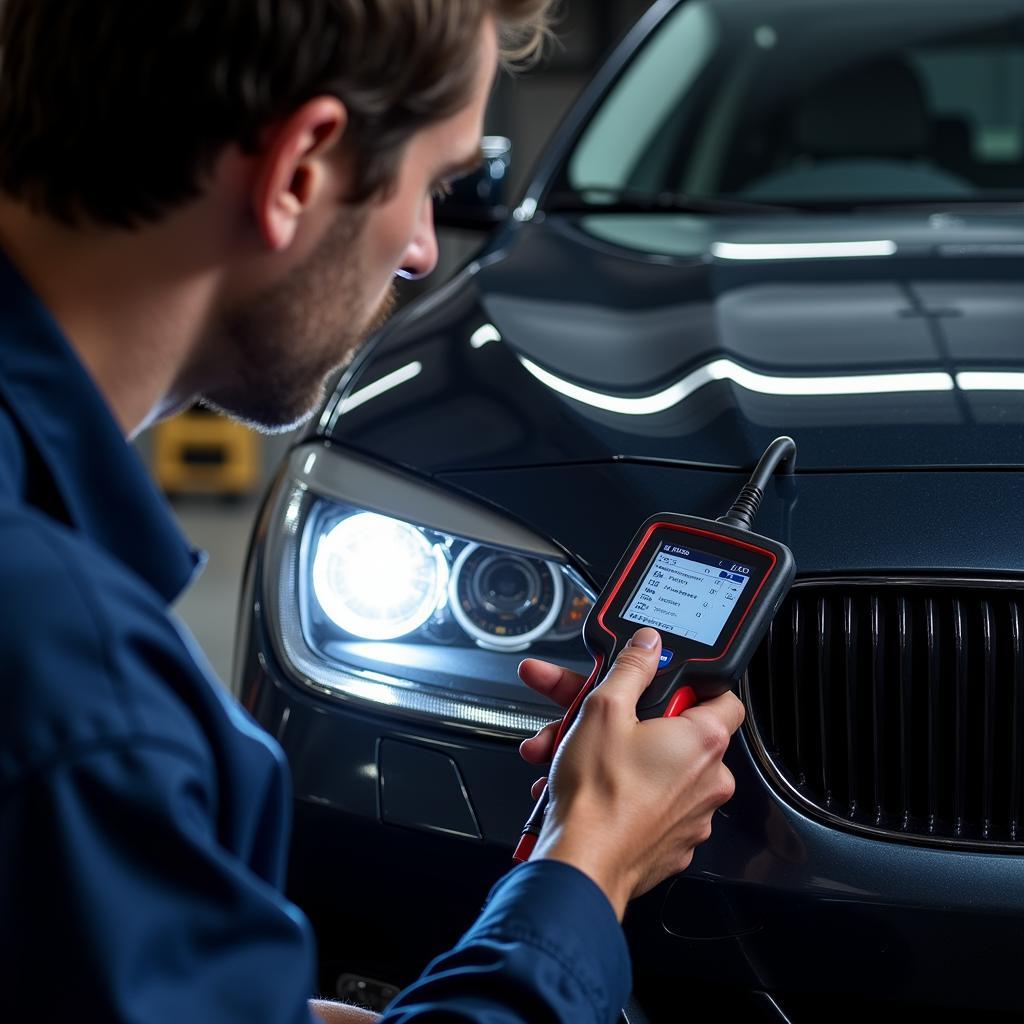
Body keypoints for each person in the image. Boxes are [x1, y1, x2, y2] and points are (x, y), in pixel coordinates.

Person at [0, 2, 745, 1022]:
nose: (424, 252)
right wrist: (590, 864)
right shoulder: (72, 679)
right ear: (300, 170)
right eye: (433, 185)